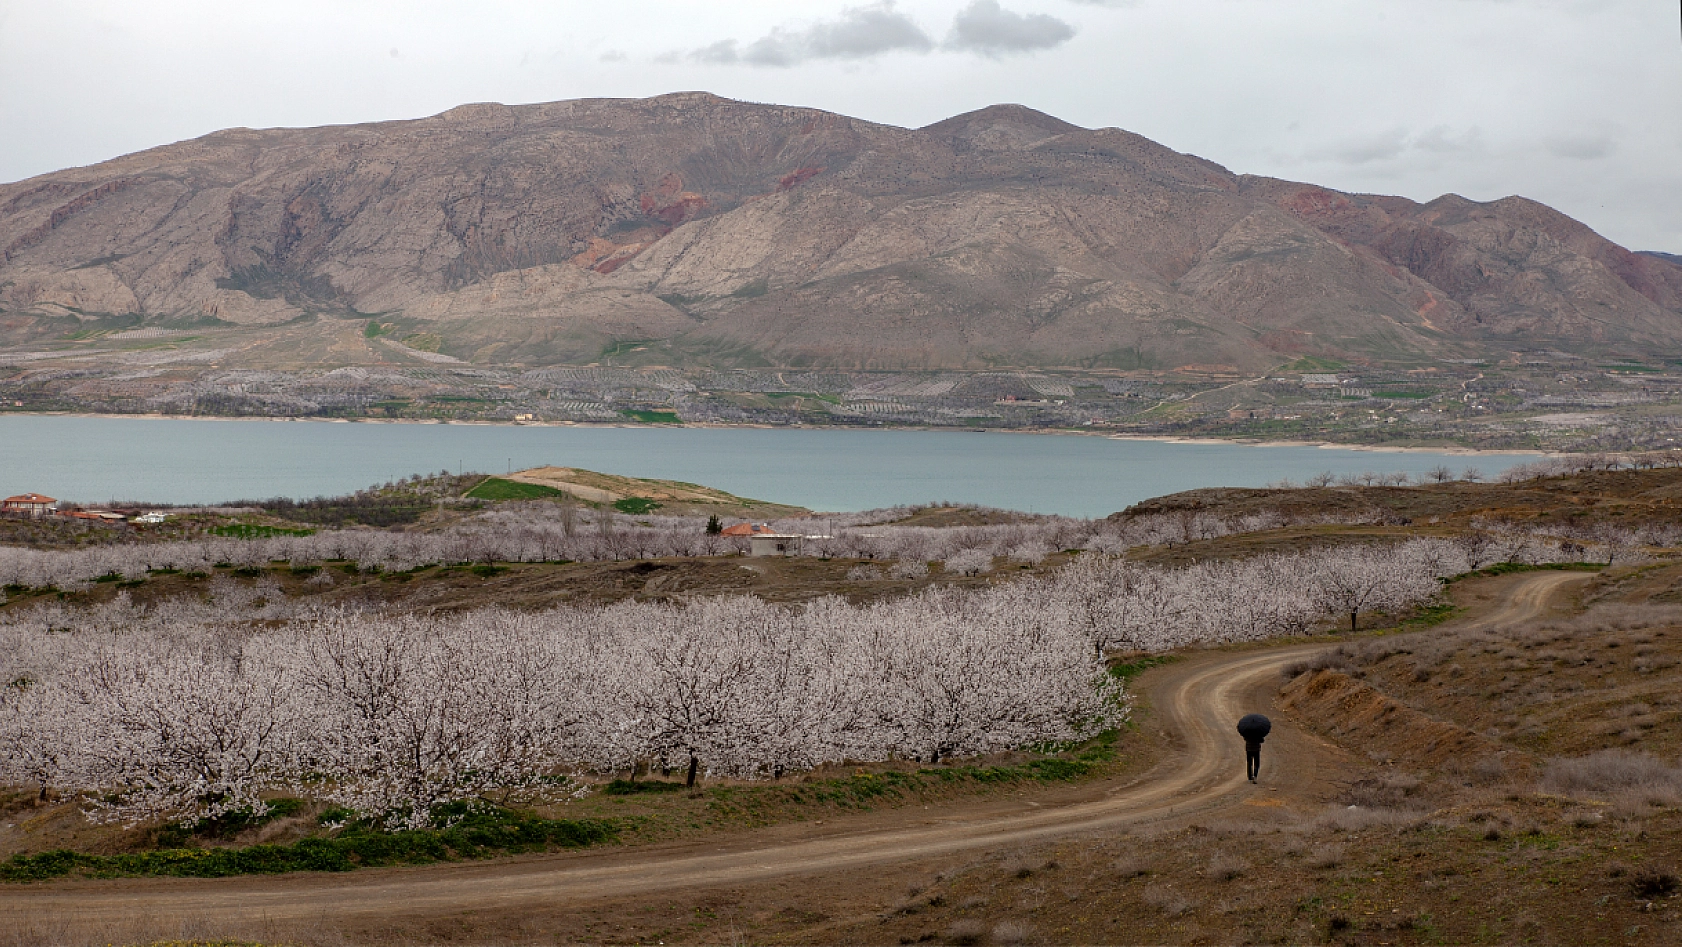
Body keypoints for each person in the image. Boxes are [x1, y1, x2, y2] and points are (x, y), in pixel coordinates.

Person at [1236, 713, 1271, 783]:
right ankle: (1255, 775)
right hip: (1256, 749)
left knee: (1249, 762)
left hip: (1248, 749)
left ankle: (1249, 776)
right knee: (1256, 763)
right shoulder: (1258, 732)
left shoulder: (1246, 732)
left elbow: (1244, 738)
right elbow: (1261, 740)